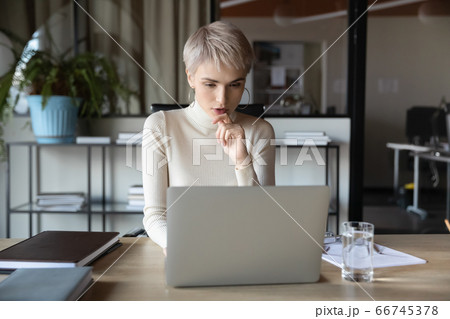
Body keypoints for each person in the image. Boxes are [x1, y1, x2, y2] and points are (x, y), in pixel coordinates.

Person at [142, 21, 275, 255]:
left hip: (244, 253)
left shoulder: (260, 131)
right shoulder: (160, 126)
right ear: (190, 77)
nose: (222, 99)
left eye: (235, 84)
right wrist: (175, 243)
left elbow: (264, 218)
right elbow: (155, 215)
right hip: (183, 250)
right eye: (210, 84)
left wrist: (242, 161)